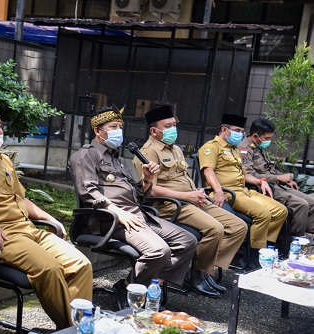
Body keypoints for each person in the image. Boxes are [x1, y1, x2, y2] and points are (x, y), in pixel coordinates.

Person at [0, 99, 93, 329]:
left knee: (81, 264)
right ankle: (72, 333)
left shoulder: (3, 161)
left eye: (0, 125)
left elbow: (20, 199)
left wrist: (49, 218)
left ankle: (79, 327)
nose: (0, 131)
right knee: (49, 268)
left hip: (28, 231)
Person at [69, 106, 197, 310]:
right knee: (158, 251)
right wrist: (117, 213)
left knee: (188, 241)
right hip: (109, 220)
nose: (118, 131)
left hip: (137, 215)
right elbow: (88, 191)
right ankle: (133, 291)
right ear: (97, 131)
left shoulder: (118, 160)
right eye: (113, 127)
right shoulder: (86, 155)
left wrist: (147, 180)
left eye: (120, 126)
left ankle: (138, 287)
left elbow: (139, 195)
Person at [134, 106, 247, 298]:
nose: (173, 129)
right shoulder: (147, 152)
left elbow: (182, 176)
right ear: (154, 131)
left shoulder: (176, 149)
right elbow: (150, 189)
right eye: (167, 126)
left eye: (174, 125)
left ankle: (202, 269)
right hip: (170, 204)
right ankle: (197, 276)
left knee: (238, 226)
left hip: (192, 199)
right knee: (215, 229)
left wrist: (195, 191)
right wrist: (187, 196)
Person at [198, 113, 288, 259]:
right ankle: (253, 254)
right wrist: (218, 191)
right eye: (237, 130)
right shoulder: (211, 147)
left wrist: (261, 181)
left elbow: (245, 174)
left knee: (280, 211)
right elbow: (208, 171)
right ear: (224, 130)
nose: (240, 134)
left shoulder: (234, 150)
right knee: (263, 213)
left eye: (241, 131)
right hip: (228, 193)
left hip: (243, 190)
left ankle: (265, 247)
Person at [239, 117, 314, 237]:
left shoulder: (259, 146)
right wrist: (278, 178)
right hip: (263, 188)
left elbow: (269, 168)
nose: (268, 141)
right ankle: (294, 238)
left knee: (312, 202)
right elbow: (249, 175)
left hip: (276, 184)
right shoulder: (244, 149)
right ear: (255, 136)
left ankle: (308, 232)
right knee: (302, 205)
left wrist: (285, 178)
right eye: (266, 138)